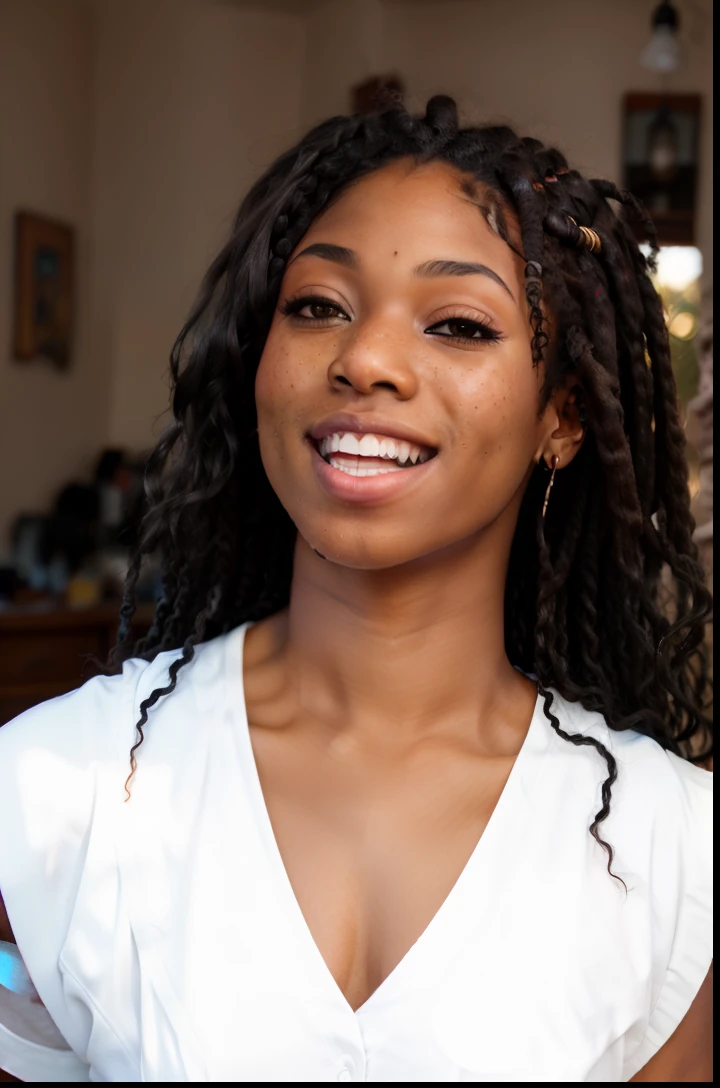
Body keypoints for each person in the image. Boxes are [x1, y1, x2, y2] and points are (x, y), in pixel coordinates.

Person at [0, 96, 712, 1082]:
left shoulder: (670, 849)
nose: (365, 359)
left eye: (458, 323)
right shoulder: (55, 789)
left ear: (564, 414)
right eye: (318, 306)